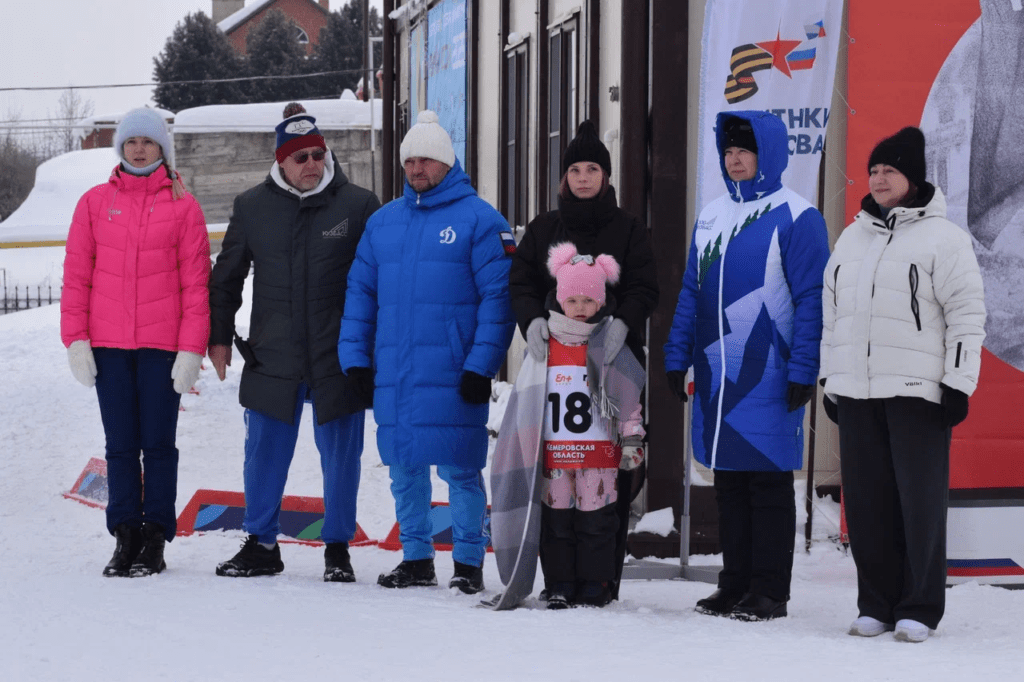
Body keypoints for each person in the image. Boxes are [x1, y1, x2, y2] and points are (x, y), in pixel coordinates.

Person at [338, 110, 515, 594]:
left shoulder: (481, 220)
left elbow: (499, 302)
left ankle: (468, 563)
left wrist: (482, 364)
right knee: (404, 468)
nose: (417, 168)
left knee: (460, 469)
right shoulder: (383, 224)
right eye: (410, 160)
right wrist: (354, 359)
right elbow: (360, 296)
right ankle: (415, 557)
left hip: (454, 372)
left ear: (447, 162)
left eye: (427, 160)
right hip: (397, 372)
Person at [820, 127, 986, 643]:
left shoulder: (945, 239)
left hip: (918, 390)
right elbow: (833, 314)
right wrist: (832, 381)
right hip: (858, 391)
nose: (879, 178)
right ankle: (876, 602)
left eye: (890, 170)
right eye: (874, 170)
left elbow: (966, 315)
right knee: (867, 503)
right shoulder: (852, 236)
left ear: (912, 178)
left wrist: (958, 382)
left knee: (918, 503)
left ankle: (919, 606)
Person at [664, 111, 830, 621]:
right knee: (730, 483)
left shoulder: (798, 216)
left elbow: (811, 300)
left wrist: (804, 368)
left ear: (769, 154)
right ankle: (733, 582)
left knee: (768, 483)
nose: (735, 158)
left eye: (745, 150)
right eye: (729, 150)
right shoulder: (712, 214)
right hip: (717, 373)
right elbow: (691, 291)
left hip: (769, 371)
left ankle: (769, 590)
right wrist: (677, 354)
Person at [208, 103, 381, 581]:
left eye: (317, 155)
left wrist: (373, 348)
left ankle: (338, 549)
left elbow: (379, 283)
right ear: (281, 161)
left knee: (343, 457)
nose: (311, 164)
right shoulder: (252, 207)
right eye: (300, 157)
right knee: (263, 453)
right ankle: (262, 543)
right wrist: (219, 337)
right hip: (273, 354)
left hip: (338, 356)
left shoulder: (359, 206)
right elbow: (226, 279)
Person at [508, 119, 658, 600]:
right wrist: (531, 320)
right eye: (575, 169)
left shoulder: (628, 228)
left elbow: (645, 286)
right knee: (555, 482)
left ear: (607, 176)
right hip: (556, 371)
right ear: (564, 177)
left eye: (594, 168)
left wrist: (623, 322)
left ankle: (602, 580)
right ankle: (559, 582)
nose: (584, 177)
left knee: (610, 479)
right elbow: (521, 282)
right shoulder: (544, 228)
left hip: (616, 368)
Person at [61, 107, 210, 578]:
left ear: (161, 149)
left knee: (158, 445)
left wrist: (191, 348)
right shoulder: (93, 203)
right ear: (121, 148)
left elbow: (195, 287)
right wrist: (76, 339)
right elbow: (76, 278)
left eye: (147, 142)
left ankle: (154, 539)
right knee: (121, 445)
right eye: (131, 142)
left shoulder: (184, 206)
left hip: (161, 348)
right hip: (108, 347)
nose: (139, 149)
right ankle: (125, 534)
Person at [534, 244, 645, 608]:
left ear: (601, 302)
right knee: (556, 521)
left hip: (599, 454)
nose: (580, 308)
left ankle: (595, 582)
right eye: (572, 300)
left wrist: (632, 440)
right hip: (555, 453)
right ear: (559, 301)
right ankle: (559, 582)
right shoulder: (545, 345)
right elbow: (528, 397)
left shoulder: (611, 343)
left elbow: (628, 396)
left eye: (588, 300)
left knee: (596, 520)